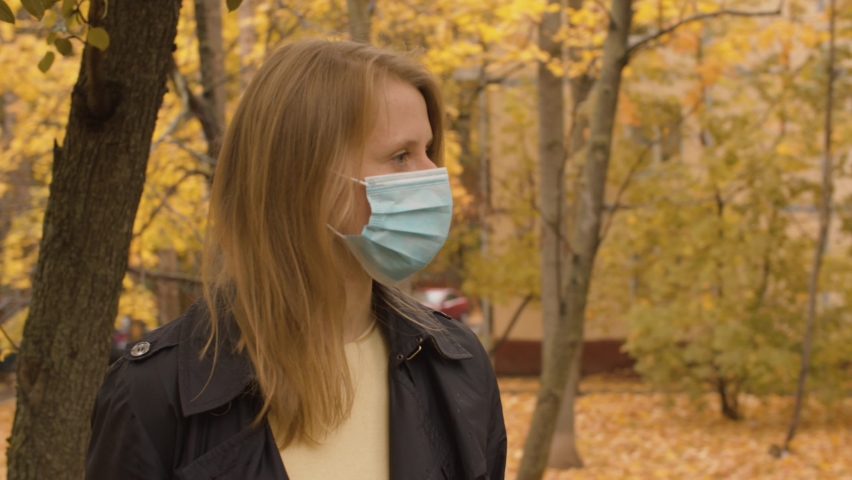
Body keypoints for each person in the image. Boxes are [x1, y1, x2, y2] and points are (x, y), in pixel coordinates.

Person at [85, 39, 506, 480]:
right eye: (400, 156)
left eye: (427, 151)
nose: (432, 177)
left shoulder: (455, 364)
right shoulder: (154, 394)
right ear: (302, 178)